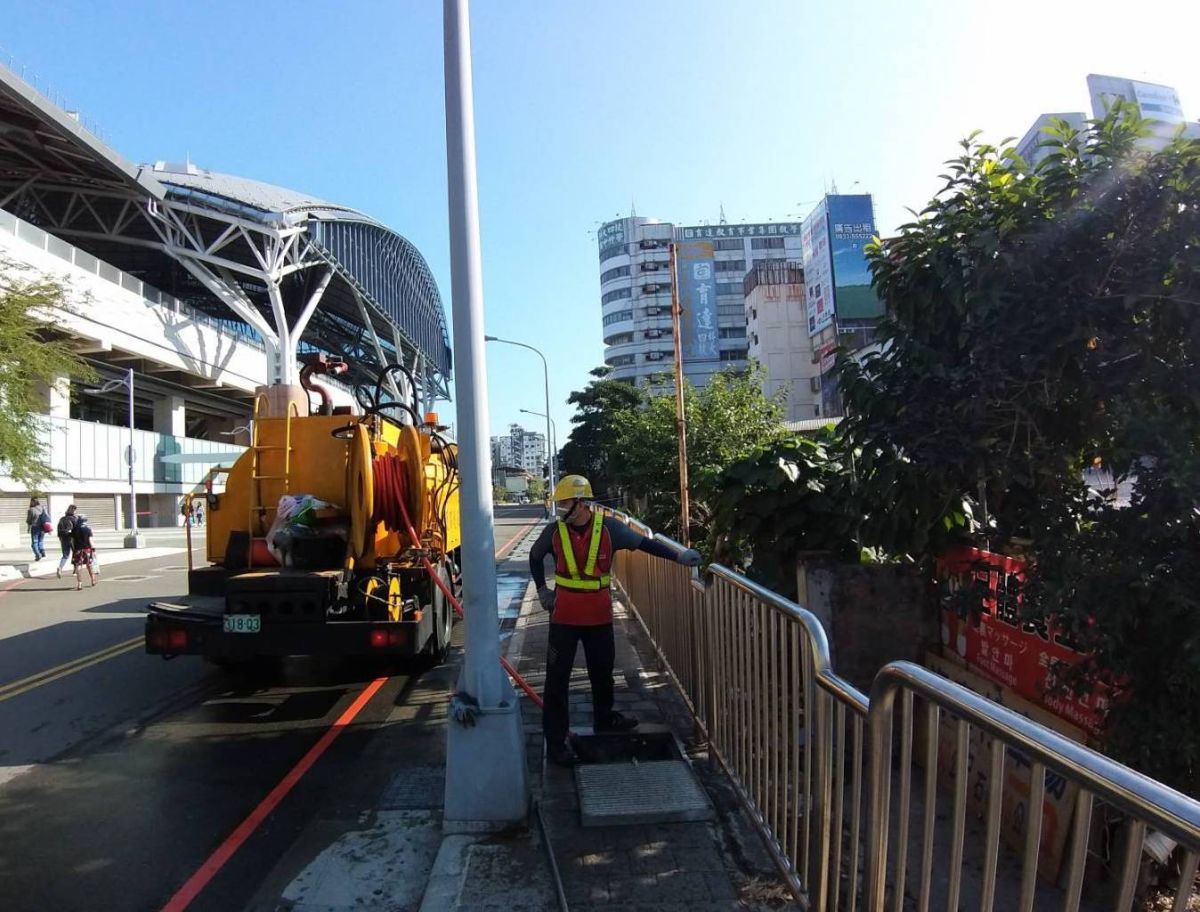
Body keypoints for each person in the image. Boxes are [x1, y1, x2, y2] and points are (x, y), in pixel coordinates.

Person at [529, 474, 701, 766]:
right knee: (557, 681)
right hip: (564, 617)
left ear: (581, 503)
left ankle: (605, 719)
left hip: (597, 616)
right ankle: (556, 743)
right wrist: (542, 590)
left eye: (566, 503)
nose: (561, 509)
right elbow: (535, 557)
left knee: (602, 673)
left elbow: (645, 544)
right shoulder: (554, 532)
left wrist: (679, 556)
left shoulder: (610, 528)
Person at [71, 513, 97, 590]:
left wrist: (73, 549)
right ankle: (93, 579)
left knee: (78, 566)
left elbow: (72, 541)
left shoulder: (74, 529)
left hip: (78, 550)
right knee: (89, 565)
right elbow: (90, 540)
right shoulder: (87, 529)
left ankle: (80, 583)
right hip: (87, 549)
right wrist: (93, 549)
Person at [55, 504, 78, 579]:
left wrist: (60, 538)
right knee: (75, 553)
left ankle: (60, 568)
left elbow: (58, 530)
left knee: (65, 555)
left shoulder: (62, 519)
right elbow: (77, 530)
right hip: (72, 538)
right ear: (73, 511)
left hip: (63, 538)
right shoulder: (74, 519)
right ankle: (75, 570)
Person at [26, 497, 48, 561]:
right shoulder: (43, 508)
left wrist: (28, 528)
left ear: (32, 501)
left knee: (34, 543)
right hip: (43, 527)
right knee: (40, 541)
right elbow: (47, 517)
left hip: (35, 527)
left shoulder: (31, 510)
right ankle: (42, 551)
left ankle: (38, 554)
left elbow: (29, 521)